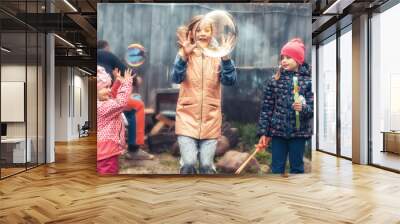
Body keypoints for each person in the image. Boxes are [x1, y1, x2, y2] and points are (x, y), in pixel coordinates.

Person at [171, 15, 237, 174]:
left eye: (207, 30)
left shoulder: (218, 56)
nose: (202, 33)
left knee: (207, 166)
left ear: (212, 33)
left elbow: (230, 81)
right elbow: (176, 77)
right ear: (192, 33)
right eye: (198, 30)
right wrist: (183, 57)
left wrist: (227, 59)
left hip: (210, 119)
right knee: (189, 162)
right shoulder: (184, 54)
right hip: (187, 117)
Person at [257, 38, 313, 174]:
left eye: (288, 57)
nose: (284, 60)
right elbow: (267, 108)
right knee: (276, 168)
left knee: (297, 168)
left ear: (298, 60)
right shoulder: (274, 80)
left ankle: (296, 193)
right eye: (282, 57)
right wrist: (264, 132)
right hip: (278, 133)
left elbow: (312, 108)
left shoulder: (308, 81)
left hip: (298, 133)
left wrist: (304, 108)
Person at [97, 66, 133, 174]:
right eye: (106, 87)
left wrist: (117, 82)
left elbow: (110, 96)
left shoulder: (98, 103)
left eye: (109, 86)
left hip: (102, 152)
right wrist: (126, 83)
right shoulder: (102, 107)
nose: (109, 89)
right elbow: (120, 102)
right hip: (106, 155)